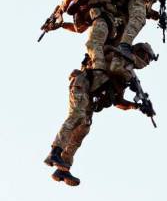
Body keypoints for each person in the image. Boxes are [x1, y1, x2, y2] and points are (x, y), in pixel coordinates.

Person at [45, 43, 158, 186]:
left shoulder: (127, 71)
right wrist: (130, 80)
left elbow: (118, 102)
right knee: (77, 116)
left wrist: (138, 106)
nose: (147, 62)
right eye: (147, 58)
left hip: (90, 95)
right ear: (140, 52)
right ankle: (55, 152)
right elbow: (114, 68)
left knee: (83, 129)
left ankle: (63, 169)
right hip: (83, 84)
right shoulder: (121, 57)